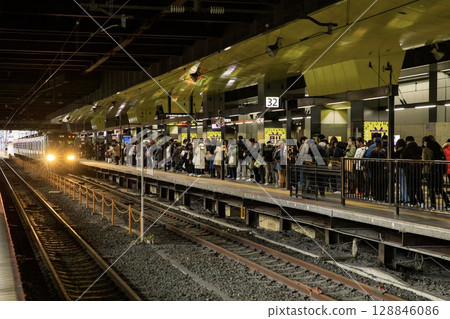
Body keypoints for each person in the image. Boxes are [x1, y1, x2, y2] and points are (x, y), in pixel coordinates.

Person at [422, 136, 448, 210]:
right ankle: (447, 203)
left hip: (430, 171)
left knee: (431, 188)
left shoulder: (426, 149)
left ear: (426, 142)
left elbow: (424, 161)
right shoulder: (438, 147)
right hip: (439, 170)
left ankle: (433, 205)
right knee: (439, 188)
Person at [400, 136, 424, 208]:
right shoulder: (419, 149)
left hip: (409, 171)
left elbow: (402, 162)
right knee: (418, 187)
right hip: (418, 171)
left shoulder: (405, 150)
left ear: (407, 141)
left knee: (410, 187)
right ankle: (421, 201)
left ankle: (413, 201)